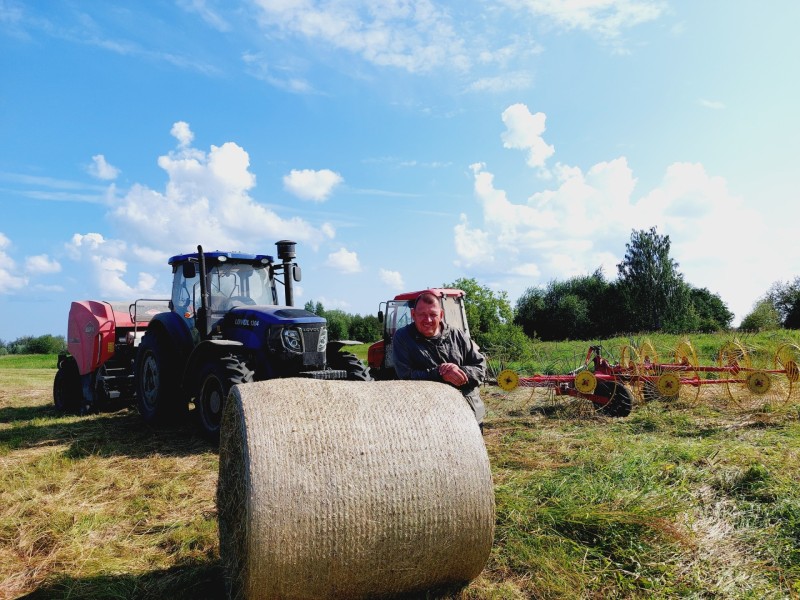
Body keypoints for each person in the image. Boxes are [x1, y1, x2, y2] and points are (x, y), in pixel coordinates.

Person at [391, 291, 486, 425]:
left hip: (468, 415)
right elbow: (405, 376)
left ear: (441, 314)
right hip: (428, 419)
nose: (428, 320)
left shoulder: (457, 335)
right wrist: (440, 374)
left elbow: (480, 368)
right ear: (413, 315)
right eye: (422, 315)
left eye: (433, 315)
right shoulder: (403, 338)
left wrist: (458, 371)